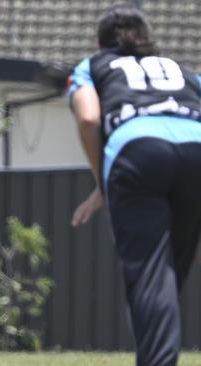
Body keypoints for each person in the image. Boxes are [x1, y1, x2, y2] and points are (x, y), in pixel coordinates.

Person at [68, 4, 201, 366]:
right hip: (196, 152)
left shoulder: (93, 65)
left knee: (152, 278)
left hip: (138, 154)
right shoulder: (182, 69)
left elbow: (89, 117)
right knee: (171, 276)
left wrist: (102, 181)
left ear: (100, 42)